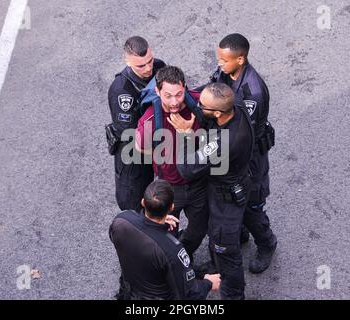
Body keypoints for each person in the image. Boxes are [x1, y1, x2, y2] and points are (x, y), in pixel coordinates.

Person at [175, 83, 255, 300]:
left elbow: (187, 168)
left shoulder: (223, 143)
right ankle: (220, 259)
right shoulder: (234, 102)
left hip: (225, 198)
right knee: (235, 229)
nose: (198, 107)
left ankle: (233, 294)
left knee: (224, 248)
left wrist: (185, 135)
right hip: (240, 179)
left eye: (203, 106)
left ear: (218, 113)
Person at [211, 33, 277, 273]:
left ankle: (267, 243)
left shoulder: (253, 92)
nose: (219, 63)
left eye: (224, 59)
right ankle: (241, 233)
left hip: (249, 156)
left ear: (240, 59)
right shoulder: (226, 72)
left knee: (251, 204)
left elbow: (242, 130)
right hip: (233, 149)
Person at [134, 66, 208, 261]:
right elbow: (139, 147)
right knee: (164, 231)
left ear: (184, 87)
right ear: (157, 92)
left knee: (199, 229)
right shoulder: (150, 118)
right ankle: (172, 260)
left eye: (179, 94)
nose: (174, 102)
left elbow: (217, 140)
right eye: (168, 96)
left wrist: (188, 134)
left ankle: (183, 255)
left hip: (198, 183)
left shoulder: (201, 104)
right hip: (169, 186)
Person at [109, 179, 221, 300]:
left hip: (129, 291)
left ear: (143, 202)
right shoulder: (172, 250)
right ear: (172, 207)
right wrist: (208, 283)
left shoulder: (121, 221)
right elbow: (188, 293)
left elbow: (136, 225)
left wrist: (156, 224)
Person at [107, 36, 165, 211]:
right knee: (132, 200)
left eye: (150, 61)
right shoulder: (122, 90)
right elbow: (129, 134)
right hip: (133, 152)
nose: (148, 68)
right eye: (141, 65)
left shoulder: (159, 67)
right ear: (127, 61)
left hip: (157, 140)